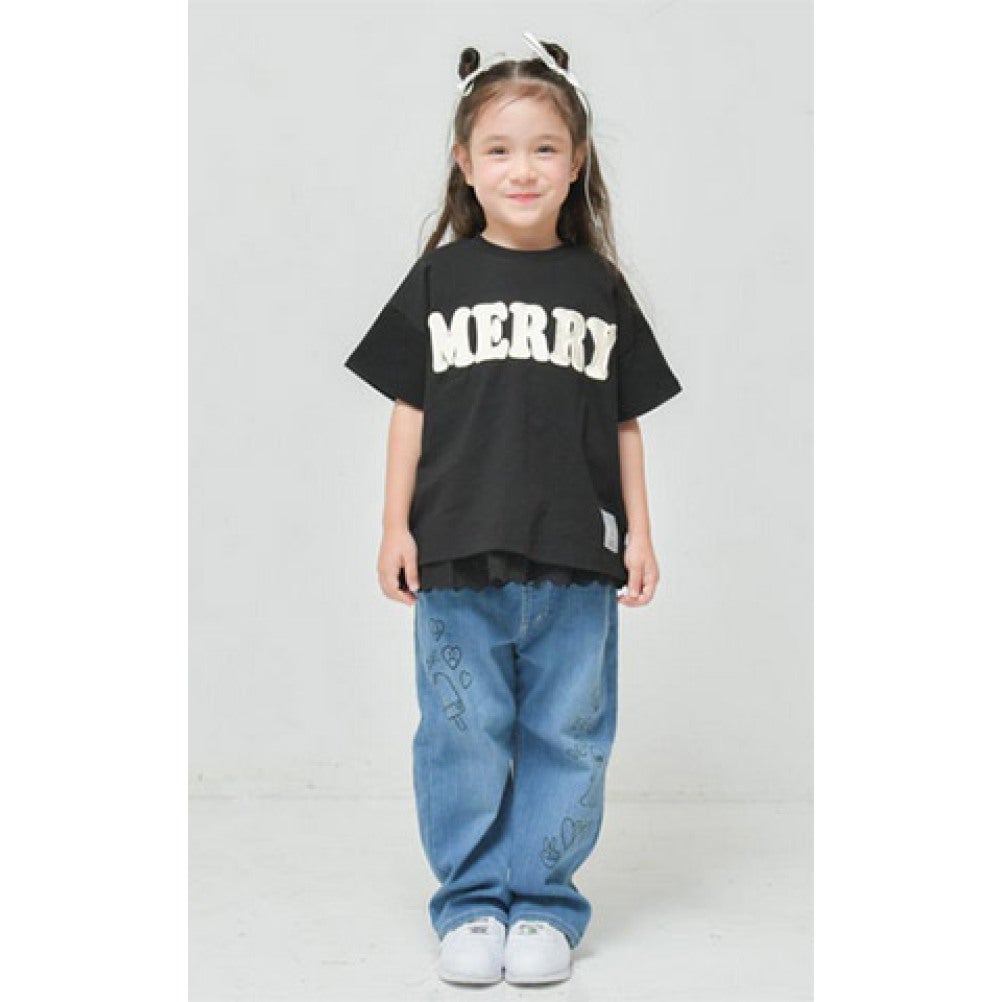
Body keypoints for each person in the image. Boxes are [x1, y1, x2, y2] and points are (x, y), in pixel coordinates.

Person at [344, 32, 683, 987]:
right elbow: (409, 414)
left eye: (543, 148)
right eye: (499, 149)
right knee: (461, 734)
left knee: (569, 737)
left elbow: (624, 422)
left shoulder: (599, 287)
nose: (521, 169)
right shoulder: (440, 281)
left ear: (576, 163)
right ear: (465, 162)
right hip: (457, 558)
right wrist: (394, 526)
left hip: (578, 561)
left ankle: (543, 905)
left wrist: (642, 534)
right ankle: (469, 904)